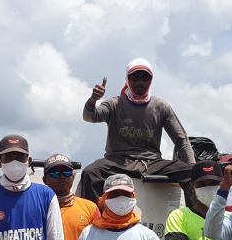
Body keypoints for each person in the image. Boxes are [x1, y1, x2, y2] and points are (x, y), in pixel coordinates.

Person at [78, 58, 195, 199]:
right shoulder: (115, 103)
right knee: (90, 172)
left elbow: (181, 139)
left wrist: (193, 167)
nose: (140, 82)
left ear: (151, 80)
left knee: (192, 172)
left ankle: (196, 217)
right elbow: (90, 117)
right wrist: (92, 100)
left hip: (151, 163)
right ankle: (94, 217)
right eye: (135, 78)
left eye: (145, 78)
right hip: (117, 162)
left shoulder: (161, 106)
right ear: (127, 80)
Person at [41, 154, 98, 240]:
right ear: (44, 179)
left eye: (67, 173)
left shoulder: (90, 207)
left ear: (73, 177)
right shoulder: (37, 207)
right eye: (55, 173)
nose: (62, 177)